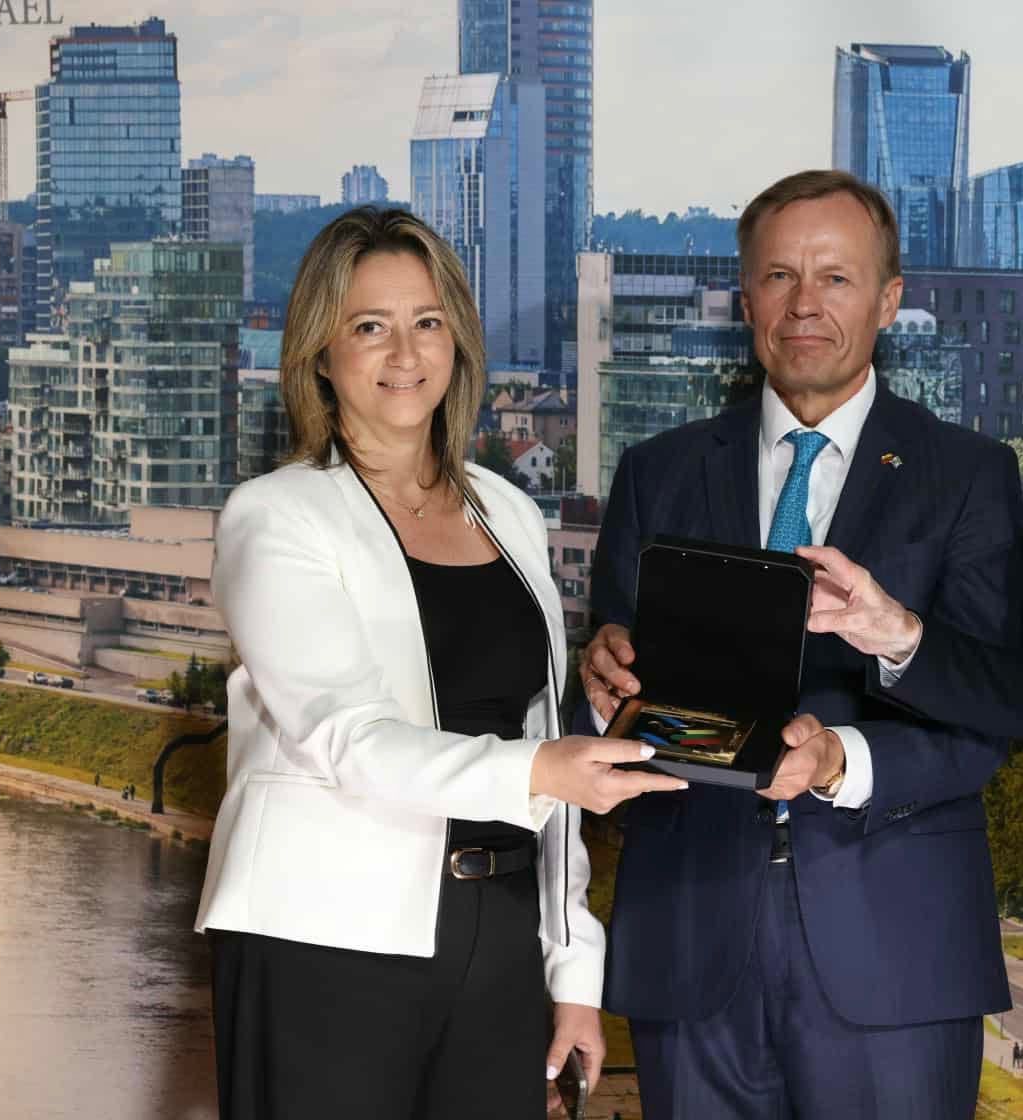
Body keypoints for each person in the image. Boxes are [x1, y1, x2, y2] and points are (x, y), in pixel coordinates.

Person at [194, 207, 686, 1120]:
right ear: (318, 352)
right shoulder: (276, 516)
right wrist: (540, 770)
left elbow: (543, 735)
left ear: (456, 336)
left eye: (426, 321)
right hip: (324, 941)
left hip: (497, 938)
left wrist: (573, 967)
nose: (404, 352)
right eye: (368, 326)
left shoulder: (508, 509)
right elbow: (343, 735)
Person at [583, 170, 1023, 1119]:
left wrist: (845, 741)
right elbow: (622, 691)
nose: (804, 304)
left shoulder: (969, 477)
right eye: (779, 277)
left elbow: (995, 704)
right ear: (746, 300)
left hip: (895, 954)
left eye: (835, 277)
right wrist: (601, 676)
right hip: (688, 938)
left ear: (888, 300)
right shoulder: (656, 472)